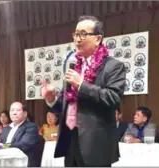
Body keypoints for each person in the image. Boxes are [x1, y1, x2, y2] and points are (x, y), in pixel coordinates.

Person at [41, 15, 126, 167]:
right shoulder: (74, 66)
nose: (77, 39)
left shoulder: (113, 66)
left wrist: (81, 85)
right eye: (75, 34)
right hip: (70, 139)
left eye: (83, 34)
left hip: (96, 144)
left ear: (98, 39)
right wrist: (52, 98)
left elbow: (113, 98)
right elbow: (67, 106)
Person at [0, 102, 42, 167]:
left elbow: (23, 145)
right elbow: (0, 143)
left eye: (17, 110)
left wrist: (4, 146)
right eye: (12, 110)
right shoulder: (6, 128)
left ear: (25, 114)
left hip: (23, 163)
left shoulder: (31, 127)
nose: (14, 113)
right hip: (5, 162)